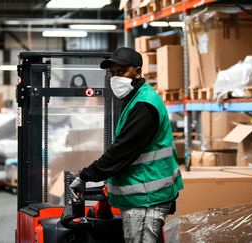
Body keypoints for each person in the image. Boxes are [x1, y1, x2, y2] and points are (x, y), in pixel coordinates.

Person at [70, 47, 183, 243]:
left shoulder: (144, 106)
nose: (115, 78)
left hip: (147, 198)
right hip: (142, 196)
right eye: (112, 73)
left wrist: (86, 175)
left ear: (137, 72)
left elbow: (122, 151)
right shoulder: (134, 99)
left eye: (122, 72)